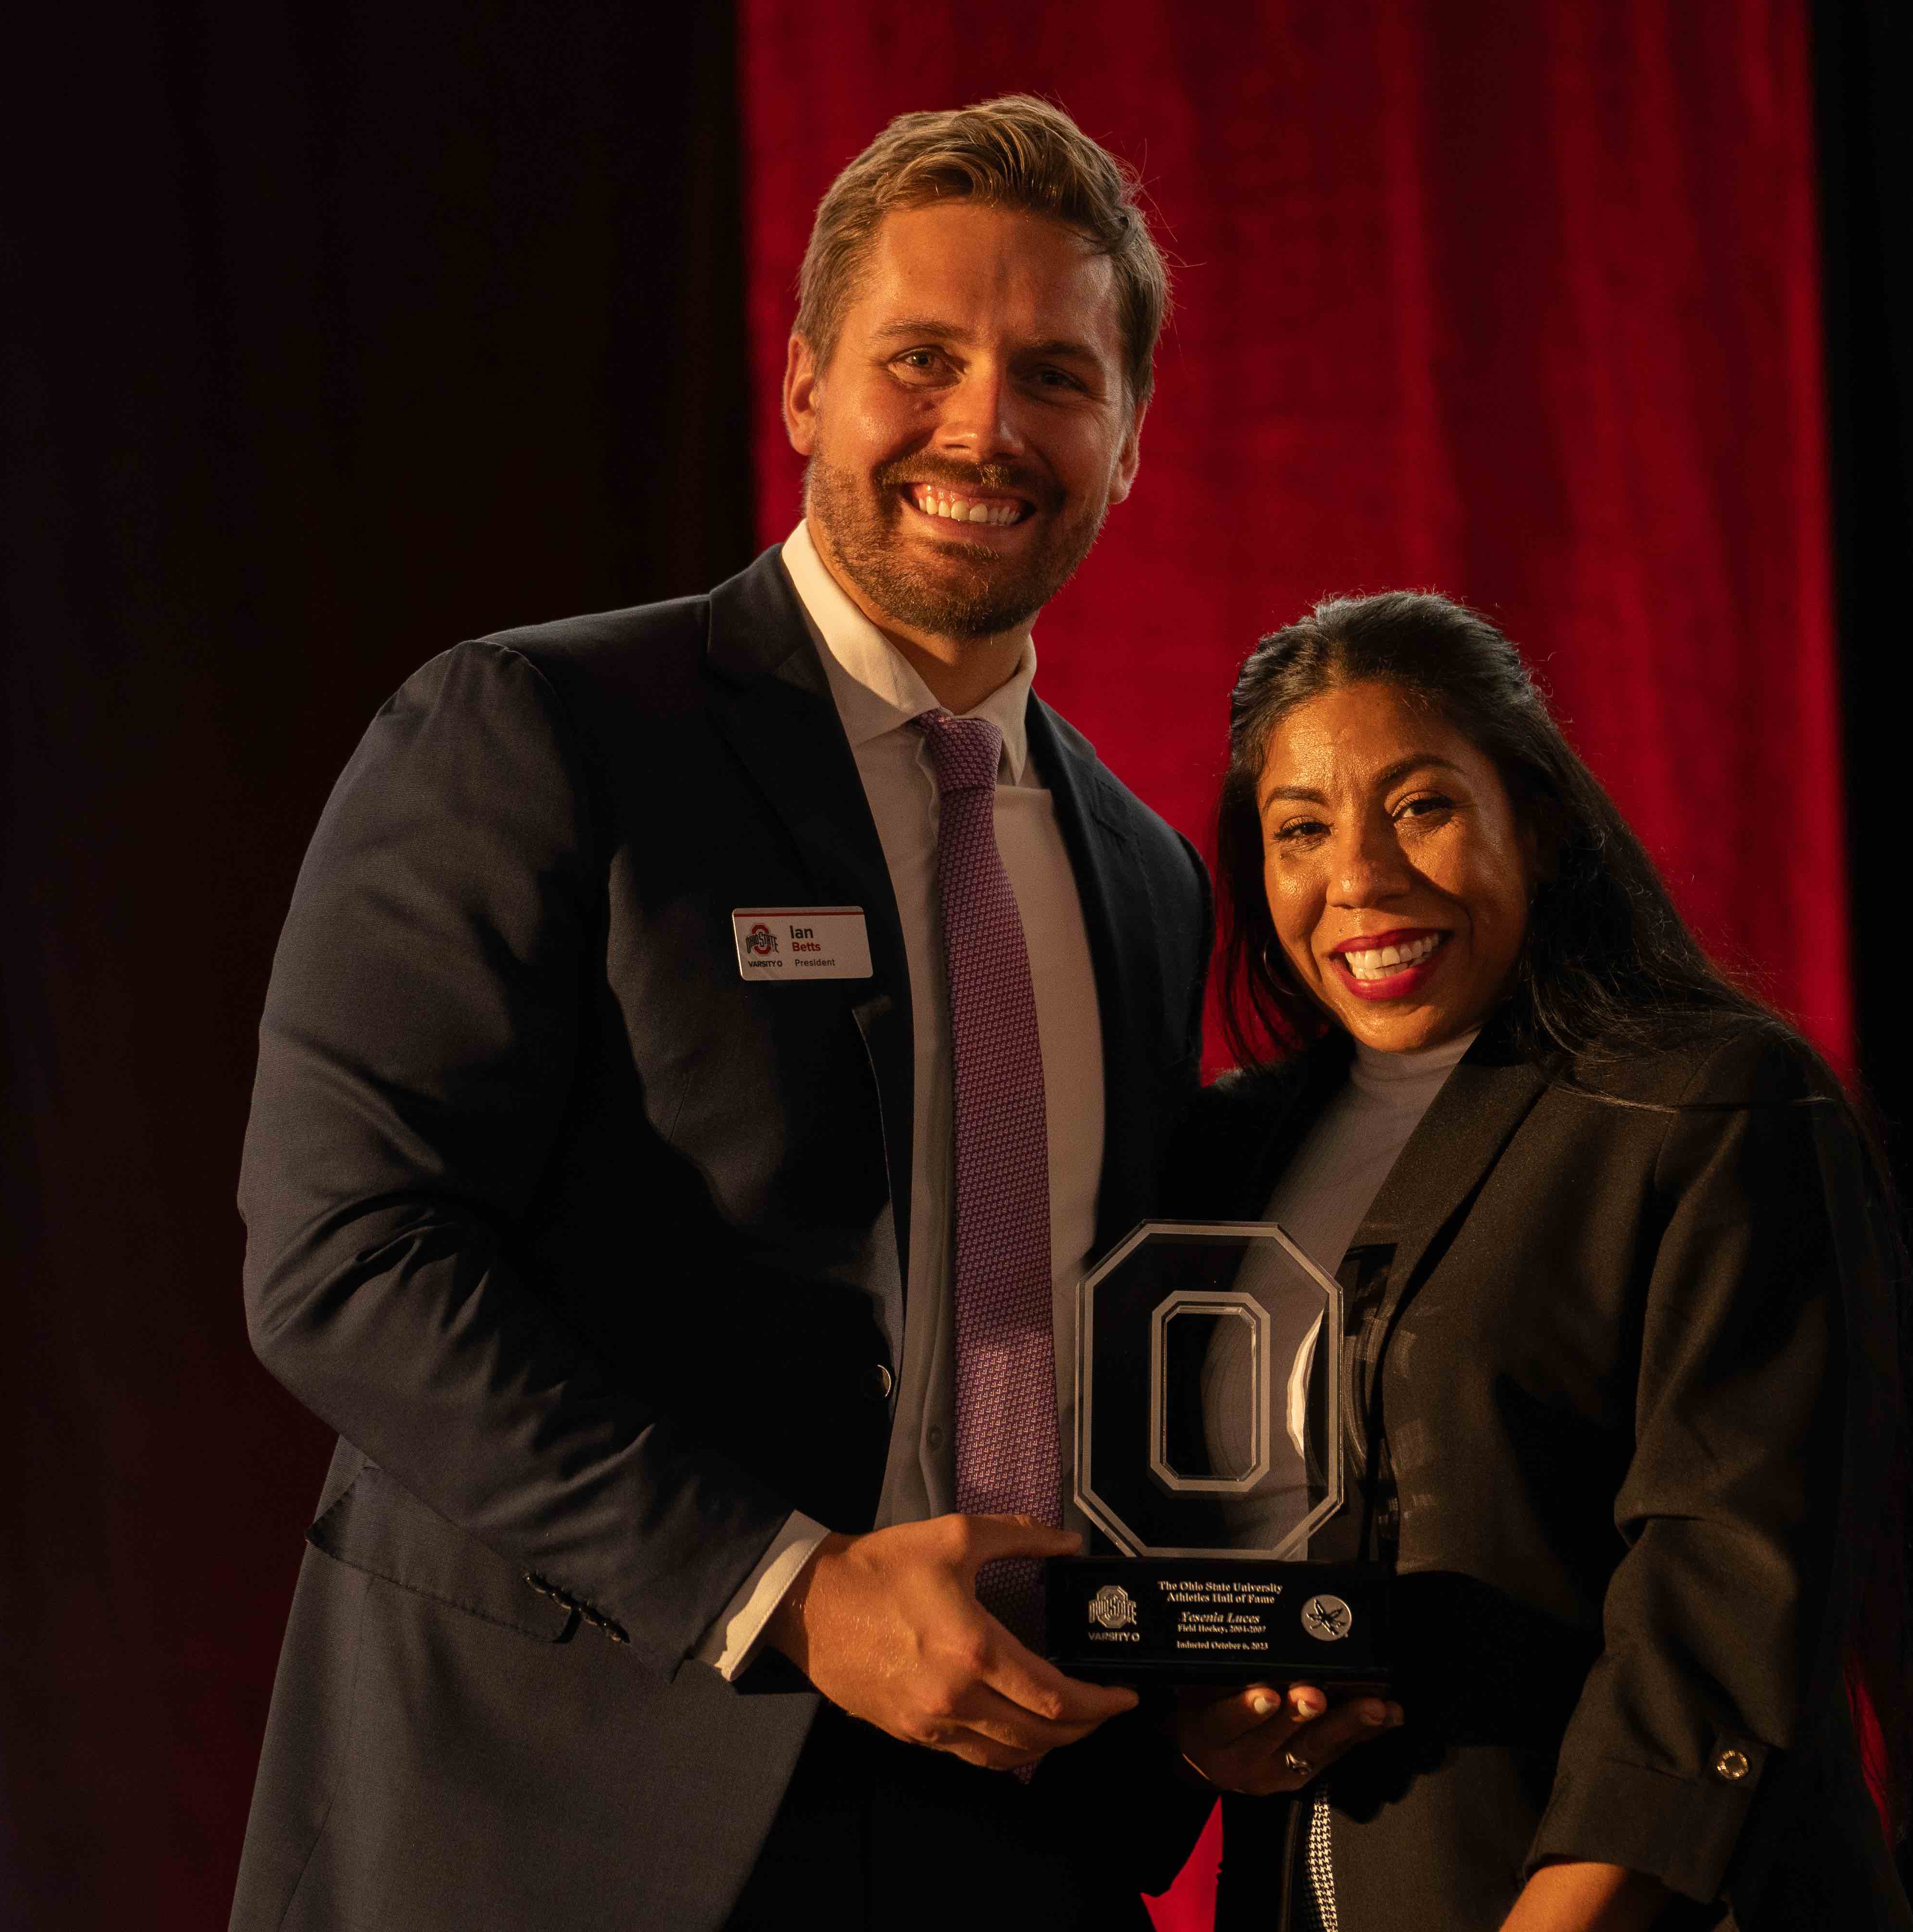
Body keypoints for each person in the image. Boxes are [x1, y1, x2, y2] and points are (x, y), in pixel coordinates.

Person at [229, 98, 1215, 1931]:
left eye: (1055, 377)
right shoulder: (540, 733)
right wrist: (792, 1586)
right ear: (803, 387)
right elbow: (342, 1256)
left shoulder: (1150, 882)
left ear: (1132, 440)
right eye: (920, 359)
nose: (985, 428)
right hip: (569, 1816)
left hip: (1021, 1824)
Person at [1158, 593, 1913, 1930]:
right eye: (1301, 831)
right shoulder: (1233, 1155)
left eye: (1421, 808)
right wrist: (1201, 1721)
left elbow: (1725, 1594)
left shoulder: (1716, 1108)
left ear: (1541, 816)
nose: (1361, 879)